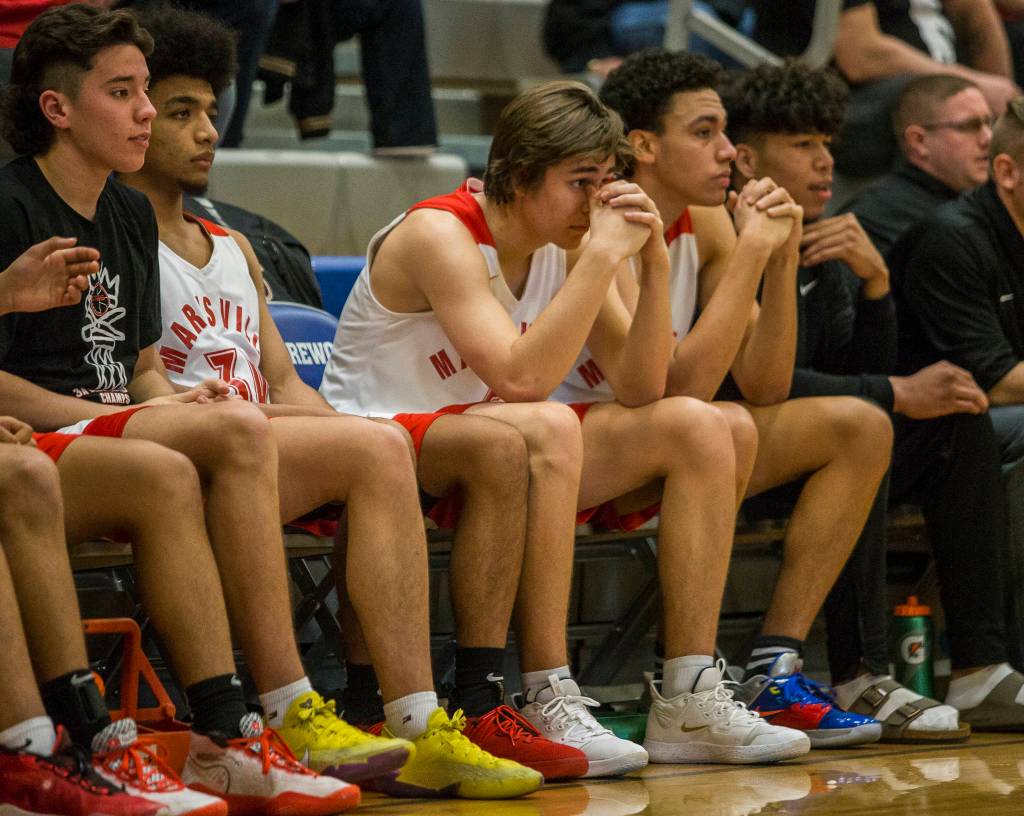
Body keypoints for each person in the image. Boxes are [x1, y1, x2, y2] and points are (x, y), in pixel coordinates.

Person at [117, 3, 547, 798]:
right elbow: (143, 388)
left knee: (381, 443)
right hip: (186, 451)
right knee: (369, 446)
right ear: (136, 126)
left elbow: (282, 384)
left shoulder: (238, 247)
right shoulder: (122, 236)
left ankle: (412, 718)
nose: (208, 130)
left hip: (263, 444)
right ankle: (350, 711)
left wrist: (342, 424)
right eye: (181, 113)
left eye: (212, 110)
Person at [321, 78, 812, 765]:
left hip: (495, 443)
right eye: (582, 181)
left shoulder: (568, 241)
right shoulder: (438, 231)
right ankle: (544, 688)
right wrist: (606, 255)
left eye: (606, 180)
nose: (598, 200)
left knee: (707, 425)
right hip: (380, 439)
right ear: (520, 176)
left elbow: (642, 387)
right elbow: (519, 378)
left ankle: (690, 694)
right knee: (544, 423)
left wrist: (652, 256)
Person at [0, 4, 395, 809]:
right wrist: (91, 414)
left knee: (295, 443)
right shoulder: (10, 206)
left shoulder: (126, 213)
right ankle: (266, 707)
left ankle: (270, 721)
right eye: (125, 93)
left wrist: (177, 398)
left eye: (148, 91)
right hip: (52, 437)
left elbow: (137, 369)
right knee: (205, 442)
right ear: (58, 109)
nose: (145, 111)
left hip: (107, 437)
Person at [594, 49, 887, 748]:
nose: (728, 151)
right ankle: (687, 685)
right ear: (643, 145)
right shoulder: (609, 216)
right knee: (712, 423)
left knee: (859, 427)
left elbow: (768, 383)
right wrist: (755, 254)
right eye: (704, 132)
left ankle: (772, 668)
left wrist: (779, 257)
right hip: (583, 438)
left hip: (656, 439)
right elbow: (671, 389)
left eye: (724, 131)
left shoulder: (706, 219)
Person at [725, 58, 1022, 734]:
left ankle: (981, 666)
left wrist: (879, 288)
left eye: (829, 144)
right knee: (865, 428)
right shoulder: (730, 242)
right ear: (745, 159)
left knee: (954, 424)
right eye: (803, 145)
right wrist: (890, 389)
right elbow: (752, 387)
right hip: (731, 448)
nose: (826, 162)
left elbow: (860, 375)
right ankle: (859, 672)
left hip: (803, 447)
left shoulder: (826, 249)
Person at [752, 0, 1019, 177]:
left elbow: (974, 15)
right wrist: (973, 86)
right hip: (852, 99)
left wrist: (1004, 104)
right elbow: (860, 55)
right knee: (923, 102)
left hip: (939, 73)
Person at [846, 73, 994, 256]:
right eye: (968, 126)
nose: (988, 138)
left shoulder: (973, 201)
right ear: (919, 141)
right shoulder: (877, 216)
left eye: (989, 123)